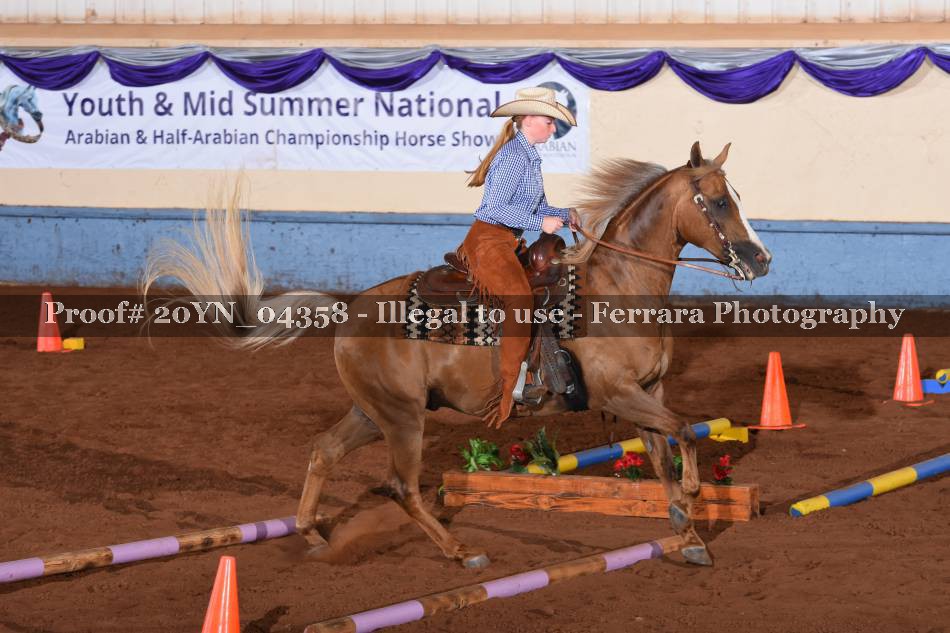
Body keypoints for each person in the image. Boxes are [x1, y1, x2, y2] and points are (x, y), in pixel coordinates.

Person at [456, 86, 581, 429]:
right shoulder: (514, 157)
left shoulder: (526, 155)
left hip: (506, 240)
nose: (553, 127)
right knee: (520, 299)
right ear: (528, 120)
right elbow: (494, 208)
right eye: (548, 121)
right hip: (488, 241)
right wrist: (541, 223)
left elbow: (533, 206)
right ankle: (511, 387)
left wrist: (563, 213)